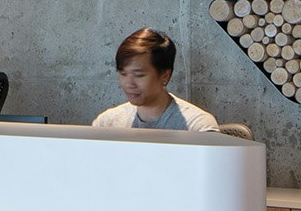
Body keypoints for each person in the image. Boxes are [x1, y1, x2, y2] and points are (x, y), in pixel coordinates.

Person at [91, 28, 220, 133]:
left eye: (139, 75)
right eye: (123, 74)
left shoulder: (197, 127)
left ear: (164, 75)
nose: (129, 84)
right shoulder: (107, 124)